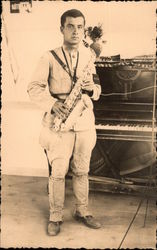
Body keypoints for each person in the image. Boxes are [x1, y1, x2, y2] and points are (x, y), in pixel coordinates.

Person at [27, 9, 101, 236]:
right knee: (58, 172)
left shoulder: (89, 57)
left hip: (84, 121)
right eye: (70, 26)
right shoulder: (48, 57)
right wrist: (51, 104)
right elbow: (33, 88)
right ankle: (55, 215)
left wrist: (89, 87)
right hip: (59, 118)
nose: (76, 31)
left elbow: (97, 90)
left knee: (82, 170)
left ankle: (82, 211)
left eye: (80, 27)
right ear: (62, 29)